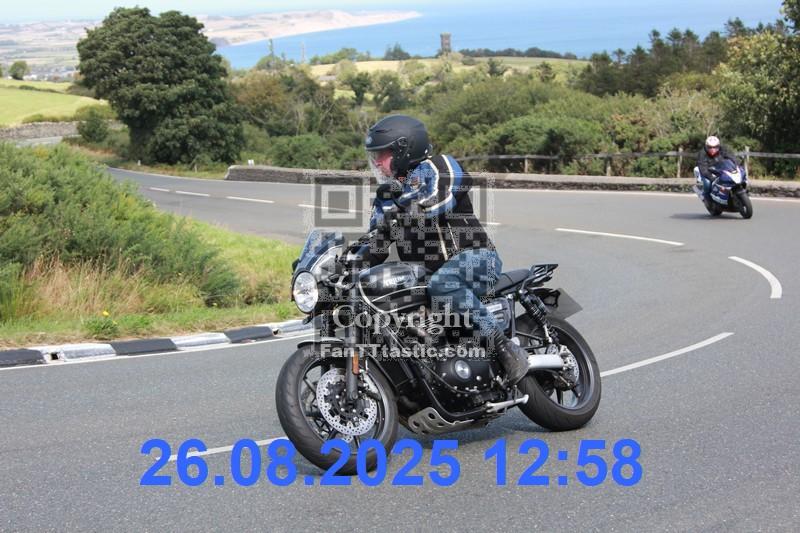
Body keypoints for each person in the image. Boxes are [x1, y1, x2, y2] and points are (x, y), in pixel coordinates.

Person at [350, 114, 529, 385]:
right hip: (431, 278)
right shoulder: (385, 196)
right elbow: (376, 243)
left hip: (477, 260)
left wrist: (400, 213)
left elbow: (437, 200)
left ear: (403, 149)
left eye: (382, 154)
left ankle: (505, 348)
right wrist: (344, 265)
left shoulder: (438, 166)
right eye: (374, 155)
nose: (376, 162)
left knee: (444, 284)